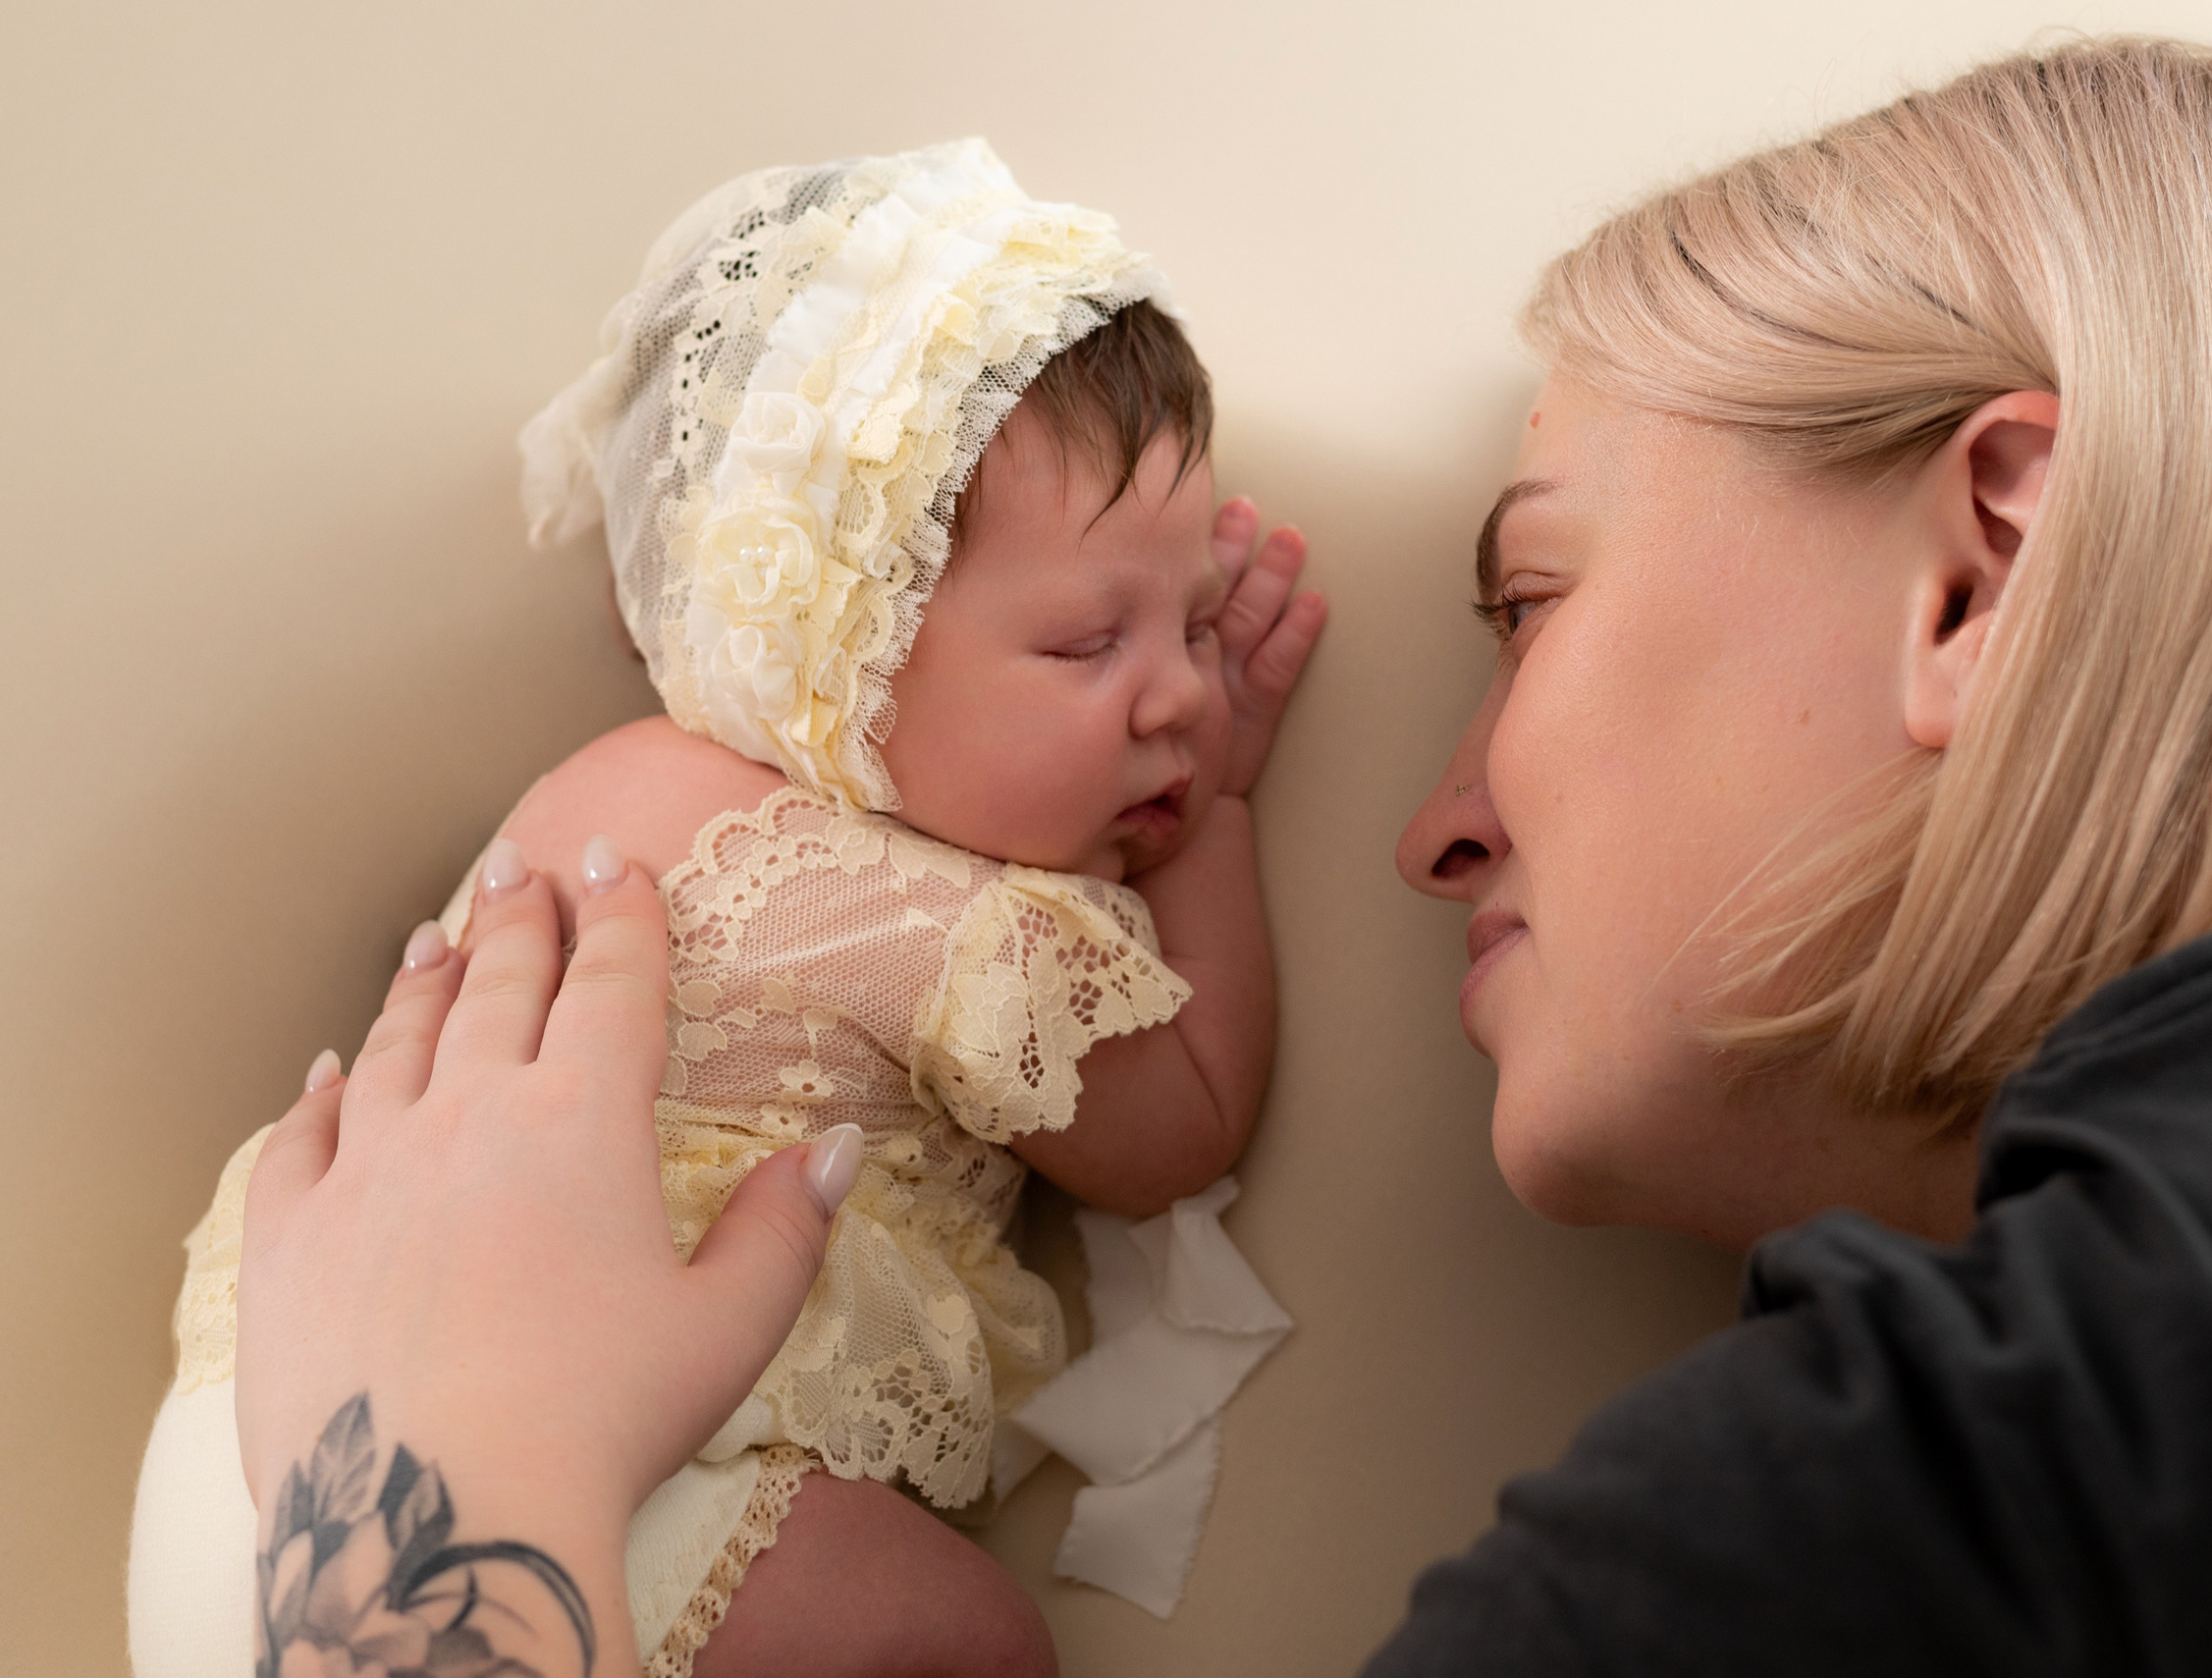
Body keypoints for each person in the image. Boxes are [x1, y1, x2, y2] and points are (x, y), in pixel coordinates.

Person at [218, 36, 2212, 1676]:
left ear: (1976, 572)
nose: (1429, 824)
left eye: (1531, 598)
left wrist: (425, 1491)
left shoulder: (1934, 1509)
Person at [127, 142, 1322, 1678]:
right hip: (576, 1500)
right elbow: (1184, 1122)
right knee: (978, 1645)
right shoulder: (913, 916)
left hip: (250, 1451)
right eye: (1091, 641)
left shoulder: (598, 793)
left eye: (1198, 620)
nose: (1176, 691)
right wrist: (1216, 816)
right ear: (838, 652)